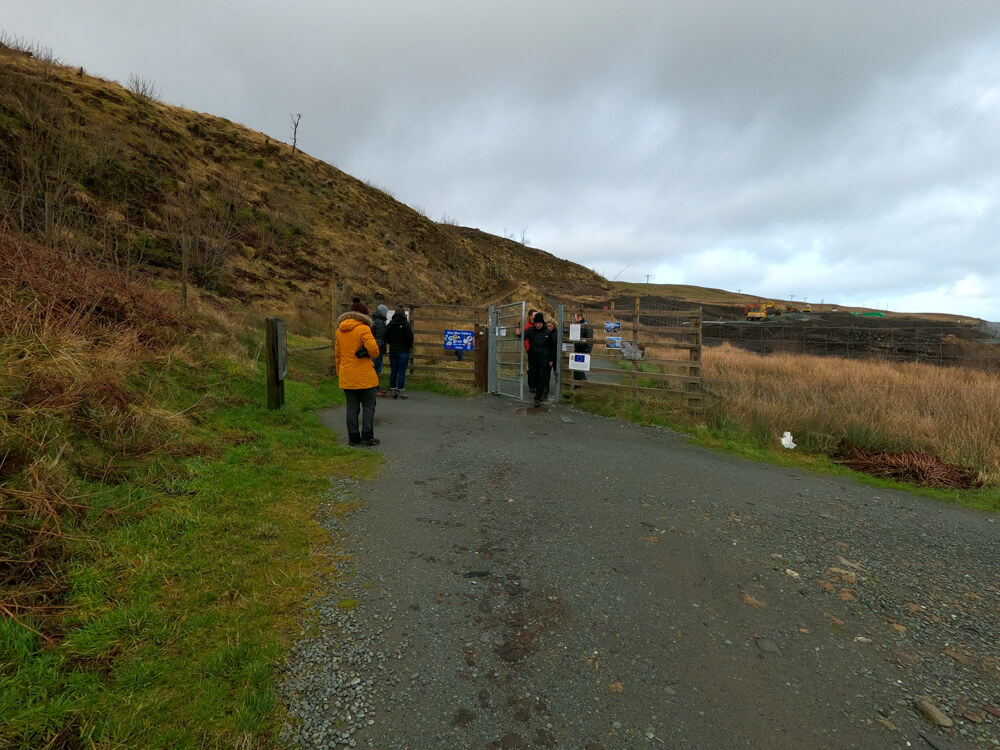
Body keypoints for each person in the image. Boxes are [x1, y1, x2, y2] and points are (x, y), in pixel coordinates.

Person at [335, 300, 380, 446]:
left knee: (352, 407)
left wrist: (340, 373)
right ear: (363, 315)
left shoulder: (340, 331)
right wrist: (366, 351)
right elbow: (374, 352)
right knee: (368, 405)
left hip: (347, 375)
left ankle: (353, 438)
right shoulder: (364, 329)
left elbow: (338, 355)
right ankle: (367, 436)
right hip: (365, 375)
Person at [523, 312, 557, 407]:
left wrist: (551, 360)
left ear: (542, 323)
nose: (538, 325)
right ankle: (537, 393)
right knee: (533, 377)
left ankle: (537, 398)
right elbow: (523, 337)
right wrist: (519, 334)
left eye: (539, 323)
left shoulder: (547, 332)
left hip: (544, 359)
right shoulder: (530, 330)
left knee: (541, 379)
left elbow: (552, 347)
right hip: (533, 359)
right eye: (536, 323)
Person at [385, 305, 414, 399]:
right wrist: (407, 346)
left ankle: (393, 390)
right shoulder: (406, 325)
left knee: (393, 371)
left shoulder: (390, 324)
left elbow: (386, 337)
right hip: (404, 351)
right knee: (401, 372)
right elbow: (410, 339)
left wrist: (392, 343)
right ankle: (401, 391)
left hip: (393, 350)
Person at [371, 304, 389, 396]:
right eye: (386, 313)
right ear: (383, 313)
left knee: (375, 369)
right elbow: (380, 337)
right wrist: (380, 347)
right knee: (377, 369)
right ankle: (375, 389)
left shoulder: (374, 321)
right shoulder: (380, 323)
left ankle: (374, 388)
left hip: (374, 348)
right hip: (378, 350)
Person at [572, 311, 592, 385]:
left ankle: (579, 385)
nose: (574, 319)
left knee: (579, 369)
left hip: (583, 350)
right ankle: (584, 384)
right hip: (577, 350)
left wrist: (587, 351)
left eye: (576, 317)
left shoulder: (586, 325)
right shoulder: (577, 324)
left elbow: (589, 339)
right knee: (578, 369)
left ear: (580, 317)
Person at [523, 309, 537, 393]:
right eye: (534, 315)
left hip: (539, 351)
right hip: (531, 351)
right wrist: (528, 349)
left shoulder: (538, 325)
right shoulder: (527, 327)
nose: (535, 317)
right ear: (530, 316)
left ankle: (536, 384)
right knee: (531, 369)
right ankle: (531, 385)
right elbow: (525, 339)